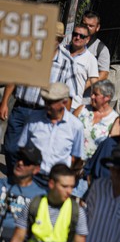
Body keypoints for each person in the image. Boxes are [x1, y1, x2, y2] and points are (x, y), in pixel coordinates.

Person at [0, 21, 76, 169]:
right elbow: (14, 79)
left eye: (55, 38)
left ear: (60, 40)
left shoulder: (67, 63)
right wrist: (4, 103)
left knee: (33, 151)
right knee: (10, 148)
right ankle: (13, 175)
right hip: (20, 108)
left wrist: (62, 119)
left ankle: (21, 180)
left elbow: (69, 95)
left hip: (44, 113)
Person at [16, 83, 84, 187]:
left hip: (57, 182)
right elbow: (22, 146)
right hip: (33, 178)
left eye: (50, 102)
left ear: (64, 102)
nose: (46, 104)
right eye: (45, 100)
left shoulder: (76, 126)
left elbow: (76, 158)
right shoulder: (33, 118)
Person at [0, 146, 44, 242]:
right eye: (19, 158)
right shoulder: (2, 184)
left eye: (26, 162)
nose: (20, 163)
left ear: (36, 169)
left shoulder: (40, 196)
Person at [74, 79, 119, 164]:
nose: (92, 97)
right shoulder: (82, 110)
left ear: (107, 97)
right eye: (92, 93)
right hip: (72, 161)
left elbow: (112, 148)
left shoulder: (114, 120)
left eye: (96, 94)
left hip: (92, 166)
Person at [67, 23, 99, 109]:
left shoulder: (90, 59)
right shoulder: (61, 50)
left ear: (87, 39)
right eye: (75, 34)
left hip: (73, 106)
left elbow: (95, 84)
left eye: (81, 36)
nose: (77, 37)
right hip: (52, 102)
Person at [81, 11, 111, 83]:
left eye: (91, 26)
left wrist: (84, 85)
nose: (87, 28)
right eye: (85, 24)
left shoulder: (102, 49)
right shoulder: (70, 39)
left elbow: (104, 74)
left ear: (97, 27)